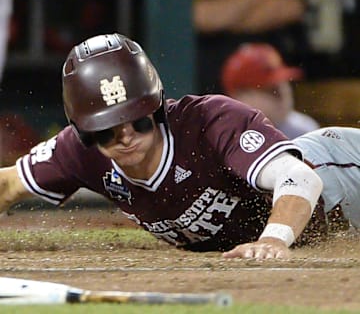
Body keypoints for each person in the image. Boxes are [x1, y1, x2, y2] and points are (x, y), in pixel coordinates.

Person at [0, 33, 324, 260]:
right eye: (108, 131)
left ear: (155, 108)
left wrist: (272, 240)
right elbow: (8, 185)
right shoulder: (77, 152)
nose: (126, 136)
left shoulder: (209, 122)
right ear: (85, 132)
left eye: (138, 120)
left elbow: (302, 177)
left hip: (338, 178)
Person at [220, 42, 320, 139]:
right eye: (271, 90)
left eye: (283, 84)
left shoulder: (303, 131)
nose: (283, 95)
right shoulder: (219, 137)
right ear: (240, 96)